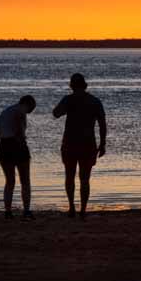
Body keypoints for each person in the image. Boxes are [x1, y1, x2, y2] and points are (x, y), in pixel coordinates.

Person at [53, 73, 106, 219]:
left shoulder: (68, 99)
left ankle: (71, 208)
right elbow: (102, 124)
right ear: (85, 85)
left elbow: (56, 113)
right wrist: (102, 144)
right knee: (85, 178)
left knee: (69, 176)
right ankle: (83, 210)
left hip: (70, 143)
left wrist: (68, 107)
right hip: (88, 144)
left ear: (71, 86)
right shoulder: (94, 101)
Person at [0, 94, 37, 219]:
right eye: (32, 108)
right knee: (25, 181)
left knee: (9, 181)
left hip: (4, 145)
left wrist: (5, 134)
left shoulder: (6, 111)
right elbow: (19, 129)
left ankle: (8, 212)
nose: (31, 112)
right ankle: (26, 211)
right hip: (17, 146)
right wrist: (20, 139)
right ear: (28, 104)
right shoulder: (21, 111)